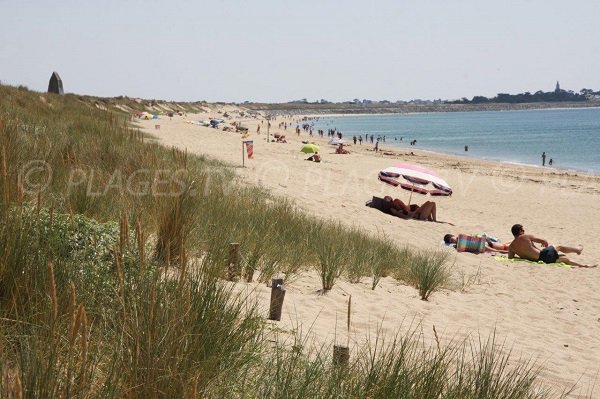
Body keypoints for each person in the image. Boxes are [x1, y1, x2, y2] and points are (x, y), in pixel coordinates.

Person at [507, 224, 596, 268]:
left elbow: (510, 258)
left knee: (564, 259)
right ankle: (577, 250)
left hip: (539, 260)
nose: (524, 231)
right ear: (520, 232)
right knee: (559, 246)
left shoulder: (511, 246)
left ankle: (584, 266)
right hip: (543, 255)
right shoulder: (525, 237)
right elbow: (544, 241)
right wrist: (544, 244)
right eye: (523, 230)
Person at [443, 233, 510, 252]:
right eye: (451, 241)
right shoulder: (458, 245)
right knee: (504, 246)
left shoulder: (461, 237)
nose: (453, 241)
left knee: (503, 246)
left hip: (485, 242)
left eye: (452, 239)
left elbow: (474, 237)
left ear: (453, 235)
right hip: (484, 244)